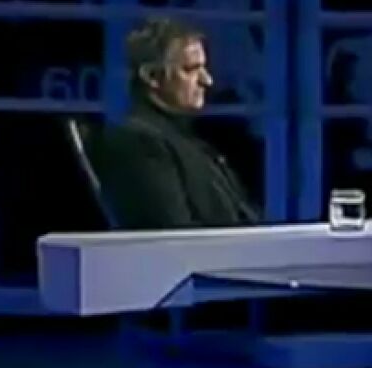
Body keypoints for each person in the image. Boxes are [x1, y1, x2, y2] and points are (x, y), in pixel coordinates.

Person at [90, 17, 260, 229]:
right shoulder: (138, 141)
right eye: (191, 69)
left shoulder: (187, 140)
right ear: (152, 76)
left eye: (204, 68)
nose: (207, 80)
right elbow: (172, 234)